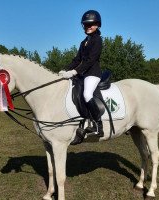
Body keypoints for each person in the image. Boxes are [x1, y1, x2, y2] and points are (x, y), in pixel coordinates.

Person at [59, 10, 104, 138]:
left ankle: (98, 125)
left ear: (98, 25)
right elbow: (77, 60)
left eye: (92, 24)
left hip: (93, 73)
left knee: (87, 94)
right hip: (83, 74)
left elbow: (91, 60)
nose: (88, 26)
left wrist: (75, 71)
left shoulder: (98, 40)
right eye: (86, 24)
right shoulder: (83, 42)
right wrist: (65, 70)